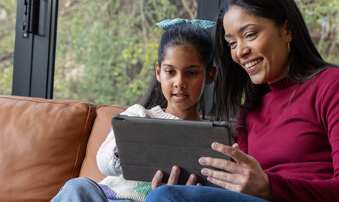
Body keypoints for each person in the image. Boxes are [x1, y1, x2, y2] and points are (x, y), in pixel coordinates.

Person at [144, 0, 339, 202]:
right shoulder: (251, 108)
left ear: (286, 30)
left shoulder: (336, 86)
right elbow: (237, 185)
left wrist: (269, 186)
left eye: (250, 35)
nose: (240, 52)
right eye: (232, 43)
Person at [50, 19, 217, 202]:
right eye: (170, 72)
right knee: (78, 186)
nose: (179, 82)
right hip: (104, 198)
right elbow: (104, 161)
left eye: (191, 73)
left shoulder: (211, 140)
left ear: (210, 75)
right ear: (158, 72)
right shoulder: (137, 115)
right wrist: (132, 150)